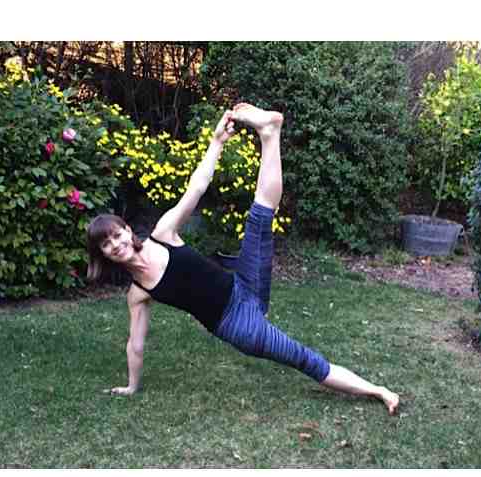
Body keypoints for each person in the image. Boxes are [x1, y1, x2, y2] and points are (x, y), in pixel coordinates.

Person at [86, 103, 399, 415]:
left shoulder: (163, 234)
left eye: (116, 235)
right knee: (304, 359)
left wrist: (217, 142)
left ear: (127, 230)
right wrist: (132, 386)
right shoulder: (138, 292)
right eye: (106, 244)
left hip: (243, 283)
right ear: (103, 254)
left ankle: (270, 133)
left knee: (260, 216)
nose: (115, 244)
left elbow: (197, 185)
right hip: (238, 325)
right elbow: (135, 344)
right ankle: (378, 390)